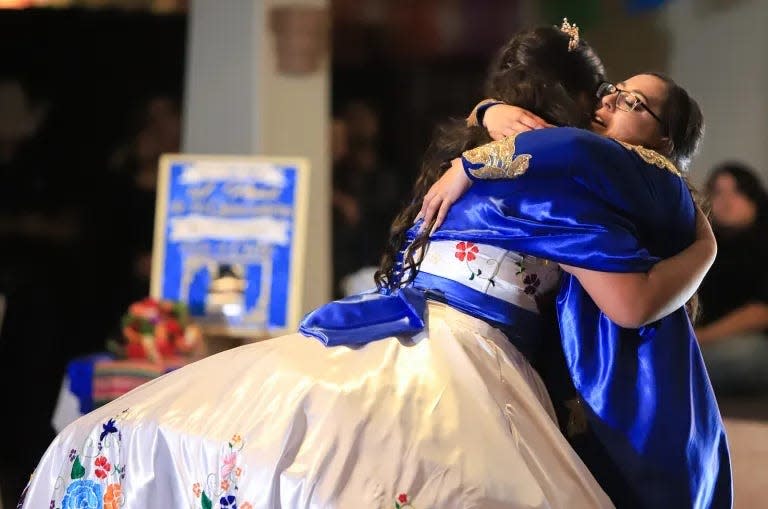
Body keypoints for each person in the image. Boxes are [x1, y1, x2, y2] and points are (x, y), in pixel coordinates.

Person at [19, 25, 725, 509]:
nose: (610, 104)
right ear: (572, 104)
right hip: (461, 351)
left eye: (631, 101)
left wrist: (489, 122)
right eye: (606, 93)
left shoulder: (520, 154)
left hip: (407, 330)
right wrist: (705, 246)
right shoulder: (552, 168)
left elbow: (627, 300)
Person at [696, 161, 768, 395]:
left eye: (737, 191)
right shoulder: (703, 247)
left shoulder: (762, 244)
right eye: (717, 192)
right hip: (707, 342)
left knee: (741, 354)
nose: (726, 201)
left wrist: (701, 338)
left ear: (753, 198)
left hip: (753, 343)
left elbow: (760, 313)